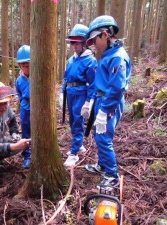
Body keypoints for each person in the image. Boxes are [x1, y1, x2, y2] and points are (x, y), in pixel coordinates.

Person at [83, 15, 132, 190]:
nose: (94, 44)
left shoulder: (117, 56)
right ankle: (102, 165)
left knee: (104, 138)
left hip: (109, 101)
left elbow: (117, 88)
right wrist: (91, 102)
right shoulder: (108, 54)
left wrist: (104, 111)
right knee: (99, 134)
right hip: (101, 98)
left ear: (104, 34)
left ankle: (112, 175)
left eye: (94, 40)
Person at [61, 24, 97, 167]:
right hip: (70, 93)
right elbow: (66, 78)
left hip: (81, 94)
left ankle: (74, 153)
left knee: (77, 122)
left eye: (76, 42)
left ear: (84, 43)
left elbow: (93, 84)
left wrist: (89, 102)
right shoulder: (71, 60)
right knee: (72, 121)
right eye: (72, 43)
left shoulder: (90, 60)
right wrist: (62, 93)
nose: (74, 46)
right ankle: (79, 144)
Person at [15, 45, 32, 168]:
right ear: (20, 66)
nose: (27, 68)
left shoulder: (37, 77)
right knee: (26, 132)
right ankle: (27, 155)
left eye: (29, 64)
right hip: (25, 109)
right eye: (24, 65)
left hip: (38, 109)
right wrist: (23, 104)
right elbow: (19, 94)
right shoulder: (19, 80)